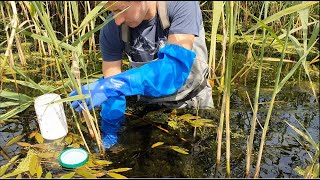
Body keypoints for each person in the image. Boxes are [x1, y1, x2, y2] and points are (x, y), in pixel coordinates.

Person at [69, 1, 213, 149]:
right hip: (150, 105)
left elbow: (172, 72)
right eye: (112, 12)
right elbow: (112, 87)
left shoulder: (181, 4)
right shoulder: (112, 27)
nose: (117, 19)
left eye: (120, 10)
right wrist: (110, 131)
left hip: (192, 100)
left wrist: (113, 85)